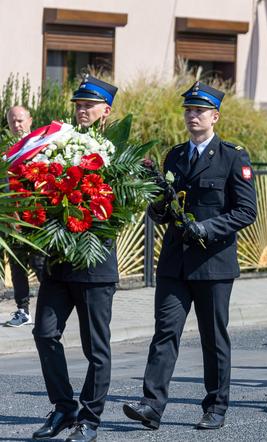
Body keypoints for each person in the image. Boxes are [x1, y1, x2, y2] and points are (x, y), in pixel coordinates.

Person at [123, 81, 257, 431]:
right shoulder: (175, 156)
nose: (192, 116)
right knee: (165, 332)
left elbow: (246, 212)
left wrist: (208, 228)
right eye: (188, 110)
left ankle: (216, 406)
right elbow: (164, 211)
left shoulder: (232, 156)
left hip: (212, 263)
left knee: (213, 337)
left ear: (215, 116)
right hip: (174, 261)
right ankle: (152, 405)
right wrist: (158, 204)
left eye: (199, 111)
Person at [31, 75, 118, 442]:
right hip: (59, 263)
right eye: (78, 105)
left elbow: (119, 209)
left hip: (95, 266)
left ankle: (91, 418)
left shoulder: (117, 152)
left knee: (95, 347)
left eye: (89, 105)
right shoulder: (57, 144)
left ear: (105, 111)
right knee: (45, 332)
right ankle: (64, 407)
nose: (82, 110)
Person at [3, 106, 45, 328]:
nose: (17, 125)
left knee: (40, 264)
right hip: (14, 220)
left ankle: (51, 306)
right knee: (17, 264)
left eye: (20, 120)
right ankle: (23, 310)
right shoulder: (8, 152)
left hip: (37, 218)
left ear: (30, 120)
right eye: (12, 122)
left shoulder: (40, 147)